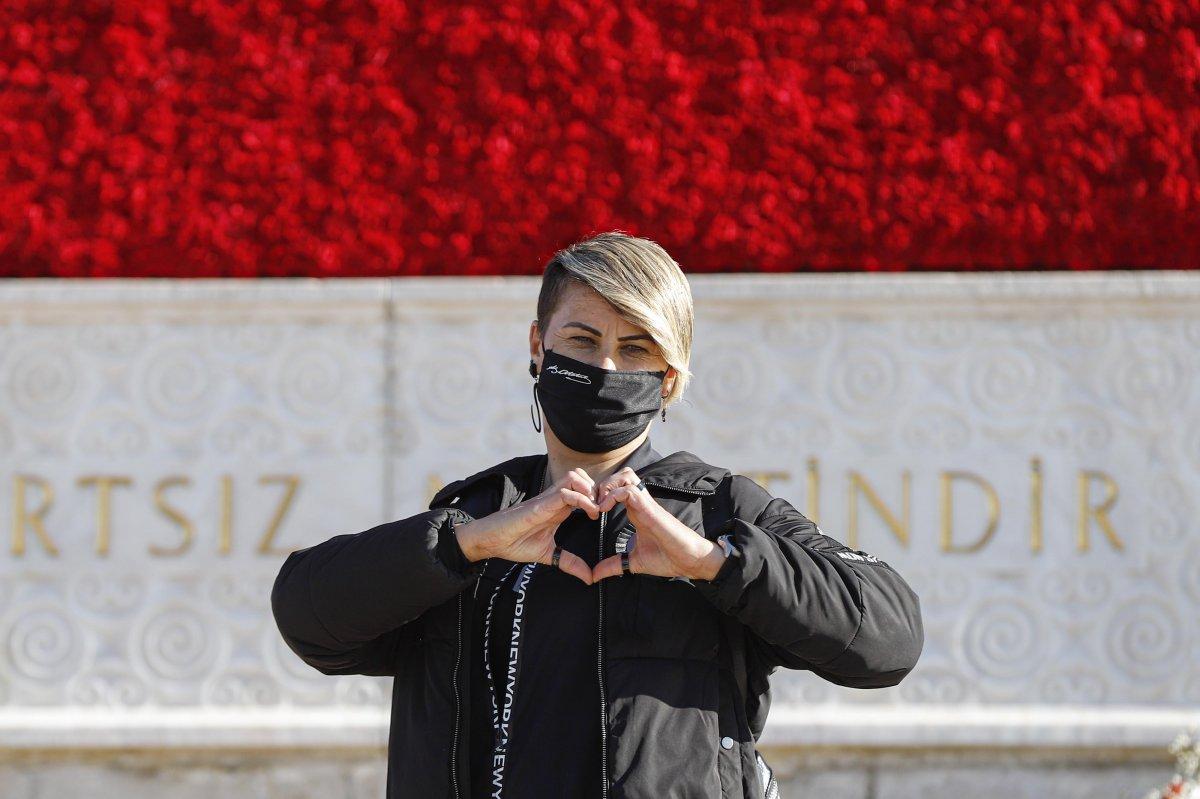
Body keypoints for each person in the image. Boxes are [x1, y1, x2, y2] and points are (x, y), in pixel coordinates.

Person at [271, 231, 924, 799]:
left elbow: (889, 637)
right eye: (582, 339)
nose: (607, 365)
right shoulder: (474, 513)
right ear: (538, 345)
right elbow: (308, 616)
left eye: (637, 348)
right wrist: (461, 548)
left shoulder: (718, 510)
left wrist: (714, 564)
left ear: (669, 378)